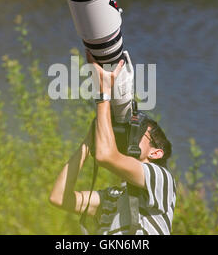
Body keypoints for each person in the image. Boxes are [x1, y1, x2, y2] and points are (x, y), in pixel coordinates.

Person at [49, 51, 176, 235]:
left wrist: (103, 95)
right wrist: (88, 142)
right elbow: (59, 197)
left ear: (156, 152)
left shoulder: (162, 180)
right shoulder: (112, 198)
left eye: (139, 131)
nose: (130, 134)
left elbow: (106, 156)